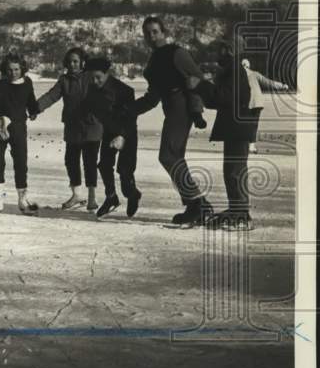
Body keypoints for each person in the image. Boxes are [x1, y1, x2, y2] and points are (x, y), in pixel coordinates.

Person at [133, 16, 214, 226]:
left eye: (155, 32)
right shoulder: (153, 61)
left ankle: (197, 204)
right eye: (148, 33)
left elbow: (197, 79)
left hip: (182, 106)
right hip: (170, 107)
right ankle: (197, 205)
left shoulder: (177, 53)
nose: (152, 36)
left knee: (169, 156)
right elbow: (153, 96)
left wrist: (196, 112)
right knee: (173, 156)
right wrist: (130, 110)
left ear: (164, 32)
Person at [187, 39, 259, 228]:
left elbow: (224, 96)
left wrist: (201, 85)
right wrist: (202, 88)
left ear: (229, 50)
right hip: (236, 127)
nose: (216, 55)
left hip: (239, 128)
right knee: (232, 171)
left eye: (219, 51)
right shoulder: (232, 70)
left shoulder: (236, 70)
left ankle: (241, 214)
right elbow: (218, 100)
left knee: (235, 171)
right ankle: (237, 209)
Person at [35, 47, 103, 211]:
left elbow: (106, 96)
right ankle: (77, 195)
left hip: (92, 126)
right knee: (71, 160)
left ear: (82, 63)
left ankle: (92, 197)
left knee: (90, 162)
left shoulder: (91, 77)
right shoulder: (64, 80)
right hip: (72, 127)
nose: (72, 64)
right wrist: (35, 108)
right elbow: (51, 96)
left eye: (76, 61)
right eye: (70, 61)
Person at [0, 53, 41, 215]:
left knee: (21, 163)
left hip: (18, 128)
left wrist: (33, 111)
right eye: (10, 70)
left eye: (17, 69)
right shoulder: (0, 85)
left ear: (22, 69)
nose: (13, 73)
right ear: (5, 70)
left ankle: (22, 199)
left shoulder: (27, 83)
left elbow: (30, 100)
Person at [83, 58, 142, 218]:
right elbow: (88, 106)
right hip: (109, 130)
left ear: (106, 74)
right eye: (92, 78)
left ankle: (132, 194)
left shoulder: (123, 91)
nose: (95, 81)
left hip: (127, 132)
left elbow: (131, 117)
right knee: (104, 165)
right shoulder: (92, 89)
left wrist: (122, 136)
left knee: (125, 170)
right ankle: (111, 198)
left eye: (98, 77)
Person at [240, 58, 290, 153]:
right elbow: (268, 83)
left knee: (245, 124)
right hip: (257, 102)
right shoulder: (255, 74)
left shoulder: (238, 76)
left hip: (245, 103)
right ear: (248, 66)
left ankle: (245, 146)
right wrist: (282, 86)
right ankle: (251, 146)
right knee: (254, 125)